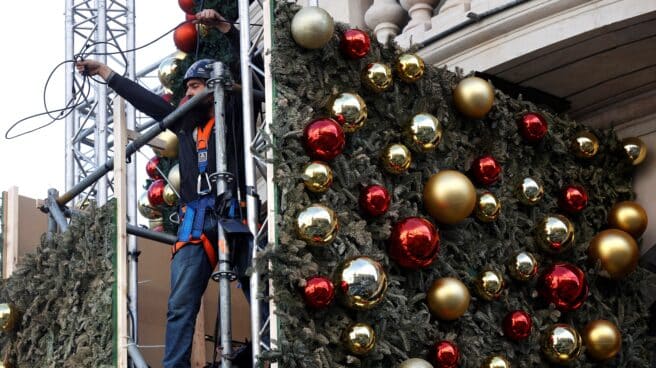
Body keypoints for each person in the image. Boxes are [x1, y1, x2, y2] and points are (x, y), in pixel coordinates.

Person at [77, 8, 259, 368]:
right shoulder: (184, 123)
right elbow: (146, 101)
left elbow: (249, 66)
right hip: (196, 222)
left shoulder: (236, 110)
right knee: (179, 307)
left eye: (194, 86)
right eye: (186, 88)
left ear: (214, 86)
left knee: (260, 293)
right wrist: (106, 73)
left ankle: (265, 354)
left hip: (235, 214)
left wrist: (224, 27)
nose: (186, 95)